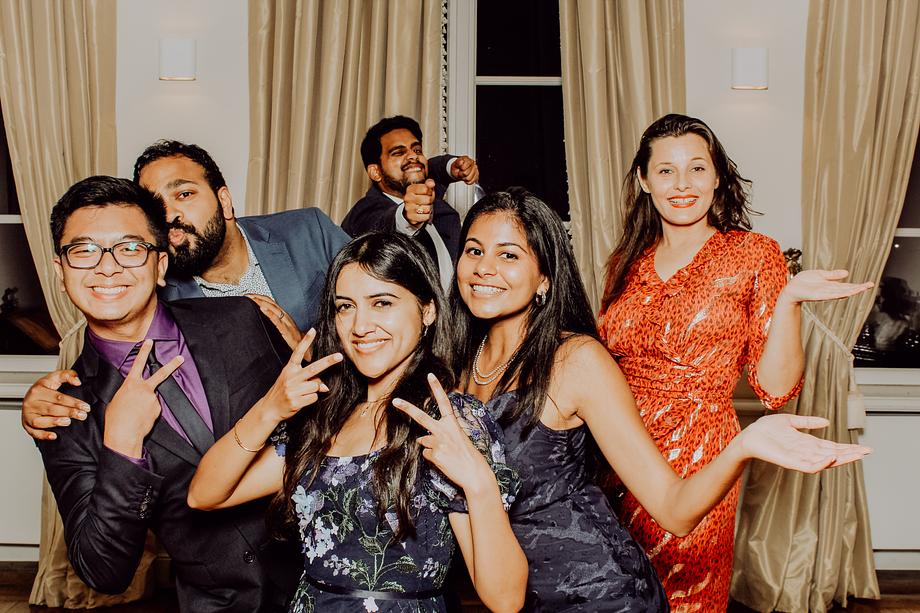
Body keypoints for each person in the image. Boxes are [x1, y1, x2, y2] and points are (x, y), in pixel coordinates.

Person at [449, 188, 871, 612]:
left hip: (603, 598)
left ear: (544, 278)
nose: (484, 268)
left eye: (508, 255)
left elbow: (674, 509)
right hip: (521, 600)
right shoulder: (456, 371)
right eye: (474, 250)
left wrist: (743, 446)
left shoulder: (575, 361)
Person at [596, 114, 875, 611]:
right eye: (666, 171)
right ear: (644, 180)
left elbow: (775, 389)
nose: (682, 184)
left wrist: (789, 302)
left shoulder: (753, 254)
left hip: (699, 455)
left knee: (684, 597)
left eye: (697, 168)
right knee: (614, 591)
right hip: (615, 449)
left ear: (717, 176)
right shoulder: (626, 261)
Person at [187, 232, 527, 613]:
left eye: (382, 303)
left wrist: (479, 483)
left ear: (428, 310)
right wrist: (269, 409)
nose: (360, 326)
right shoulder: (323, 420)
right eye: (345, 307)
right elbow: (205, 495)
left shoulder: (449, 419)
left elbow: (506, 600)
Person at [35, 175, 300, 612]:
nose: (107, 267)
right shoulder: (65, 409)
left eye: (129, 248)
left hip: (328, 579)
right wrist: (122, 447)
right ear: (61, 272)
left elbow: (323, 423)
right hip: (221, 603)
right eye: (83, 251)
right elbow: (103, 570)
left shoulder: (241, 317)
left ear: (160, 266)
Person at [23, 139, 349, 440]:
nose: (169, 215)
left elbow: (379, 308)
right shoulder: (155, 294)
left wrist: (311, 352)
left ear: (224, 201)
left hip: (350, 422)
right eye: (155, 206)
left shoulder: (309, 231)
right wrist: (45, 400)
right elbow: (113, 361)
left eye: (184, 194)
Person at [341, 115, 479, 290]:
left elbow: (429, 168)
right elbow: (382, 225)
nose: (413, 156)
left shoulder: (428, 192)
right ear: (376, 172)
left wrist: (451, 166)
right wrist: (407, 218)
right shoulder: (365, 212)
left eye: (417, 150)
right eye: (398, 152)